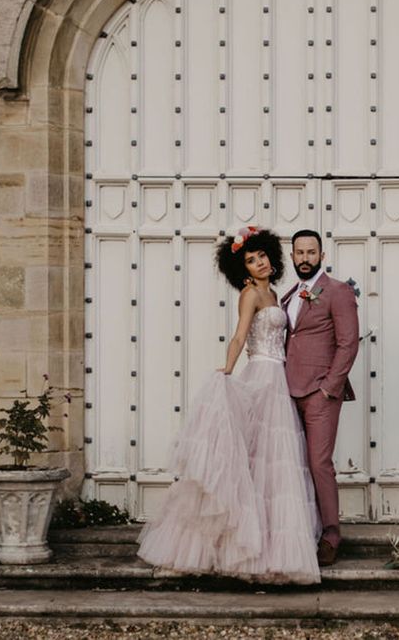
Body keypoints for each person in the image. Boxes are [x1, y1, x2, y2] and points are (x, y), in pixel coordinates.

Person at [136, 226, 321, 584]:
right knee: (253, 461)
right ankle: (238, 547)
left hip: (279, 379)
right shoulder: (250, 295)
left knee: (273, 465)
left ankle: (269, 549)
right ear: (243, 270)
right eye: (250, 261)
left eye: (262, 256)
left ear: (271, 256)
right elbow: (240, 335)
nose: (259, 263)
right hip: (261, 376)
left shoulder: (276, 294)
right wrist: (228, 369)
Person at [280, 229, 359, 567]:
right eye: (299, 253)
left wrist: (330, 387)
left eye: (311, 252)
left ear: (322, 256)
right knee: (293, 464)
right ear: (292, 256)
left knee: (319, 463)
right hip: (286, 390)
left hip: (320, 393)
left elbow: (348, 343)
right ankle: (303, 529)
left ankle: (331, 534)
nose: (305, 259)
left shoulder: (338, 292)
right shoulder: (289, 295)